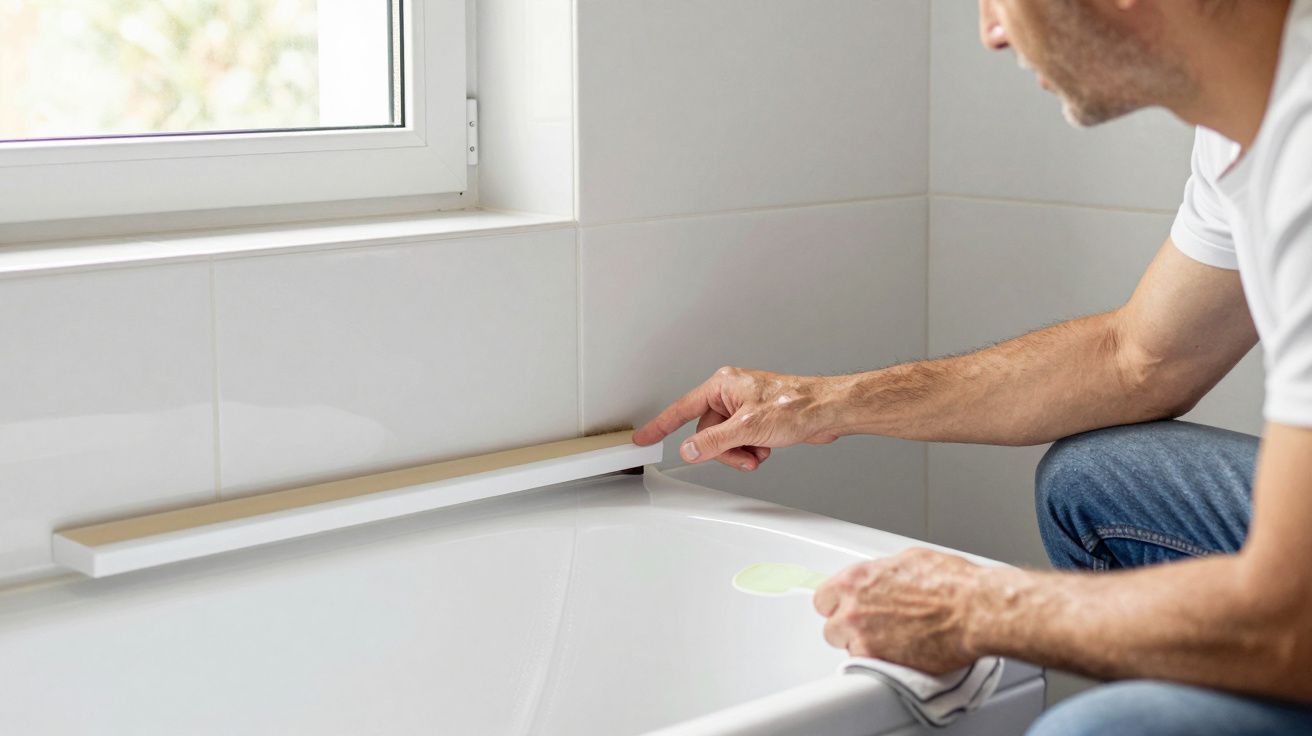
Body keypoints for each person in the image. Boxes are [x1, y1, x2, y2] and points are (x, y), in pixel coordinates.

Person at [634, 1, 1312, 732]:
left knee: (1095, 729)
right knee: (1093, 479)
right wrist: (821, 405)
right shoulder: (1247, 130)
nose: (991, 33)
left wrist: (974, 607)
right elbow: (1139, 359)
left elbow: (1290, 618)